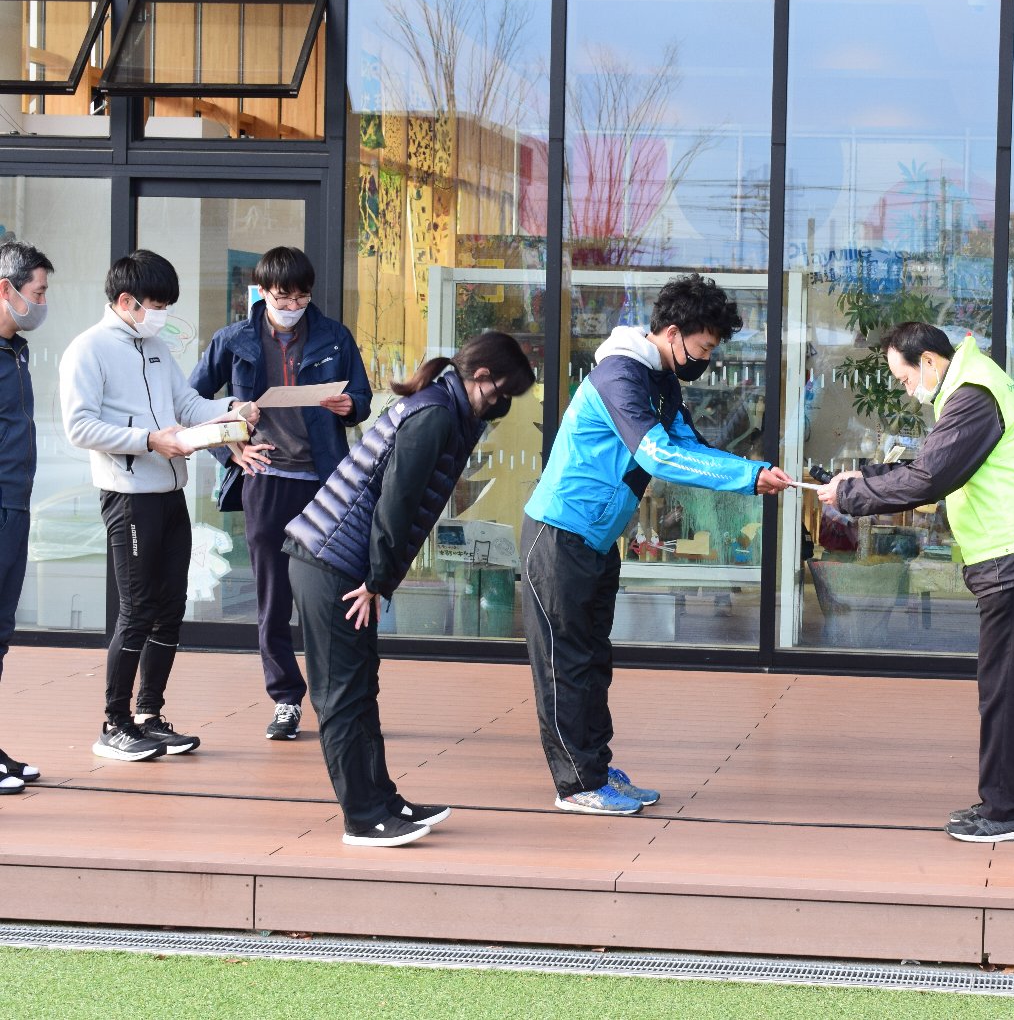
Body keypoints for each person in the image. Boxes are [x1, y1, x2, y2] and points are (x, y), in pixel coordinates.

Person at [522, 272, 792, 815]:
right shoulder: (619, 375)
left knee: (592, 660)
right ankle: (576, 784)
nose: (706, 359)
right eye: (704, 348)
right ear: (673, 333)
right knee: (564, 665)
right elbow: (658, 455)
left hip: (596, 540)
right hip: (558, 536)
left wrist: (755, 471)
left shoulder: (661, 381)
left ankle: (596, 768)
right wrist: (747, 477)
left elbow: (690, 445)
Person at [817, 323, 1014, 843]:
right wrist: (861, 478)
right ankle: (1010, 802)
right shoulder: (973, 385)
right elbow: (931, 464)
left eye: (905, 378)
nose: (906, 389)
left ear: (930, 362)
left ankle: (1008, 813)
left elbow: (929, 479)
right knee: (1010, 690)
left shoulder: (972, 394)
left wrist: (852, 497)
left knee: (1008, 691)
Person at [284, 331, 532, 847]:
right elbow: (395, 504)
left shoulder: (442, 405)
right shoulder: (436, 414)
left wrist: (376, 578)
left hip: (341, 562)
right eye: (501, 394)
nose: (501, 407)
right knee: (342, 694)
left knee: (361, 687)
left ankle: (383, 800)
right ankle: (362, 818)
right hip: (332, 563)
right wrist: (377, 581)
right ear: (480, 376)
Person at [60, 250, 269, 763]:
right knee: (137, 610)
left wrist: (233, 409)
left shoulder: (154, 347)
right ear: (125, 301)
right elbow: (79, 427)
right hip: (128, 497)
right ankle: (114, 724)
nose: (162, 315)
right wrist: (150, 440)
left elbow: (188, 405)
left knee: (171, 608)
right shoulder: (87, 350)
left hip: (171, 492)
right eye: (156, 305)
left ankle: (149, 716)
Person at [190, 247, 373, 742]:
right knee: (273, 596)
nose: (292, 305)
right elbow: (190, 402)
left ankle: (339, 699)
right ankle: (286, 699)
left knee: (331, 593)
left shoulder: (334, 336)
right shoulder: (233, 340)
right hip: (266, 479)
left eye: (301, 297)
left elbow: (362, 398)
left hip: (325, 480)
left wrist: (349, 405)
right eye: (282, 297)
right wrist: (231, 452)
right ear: (262, 292)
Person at [0, 239, 52, 795]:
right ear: (6, 290)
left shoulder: (16, 351)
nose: (42, 303)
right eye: (37, 292)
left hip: (15, 505)